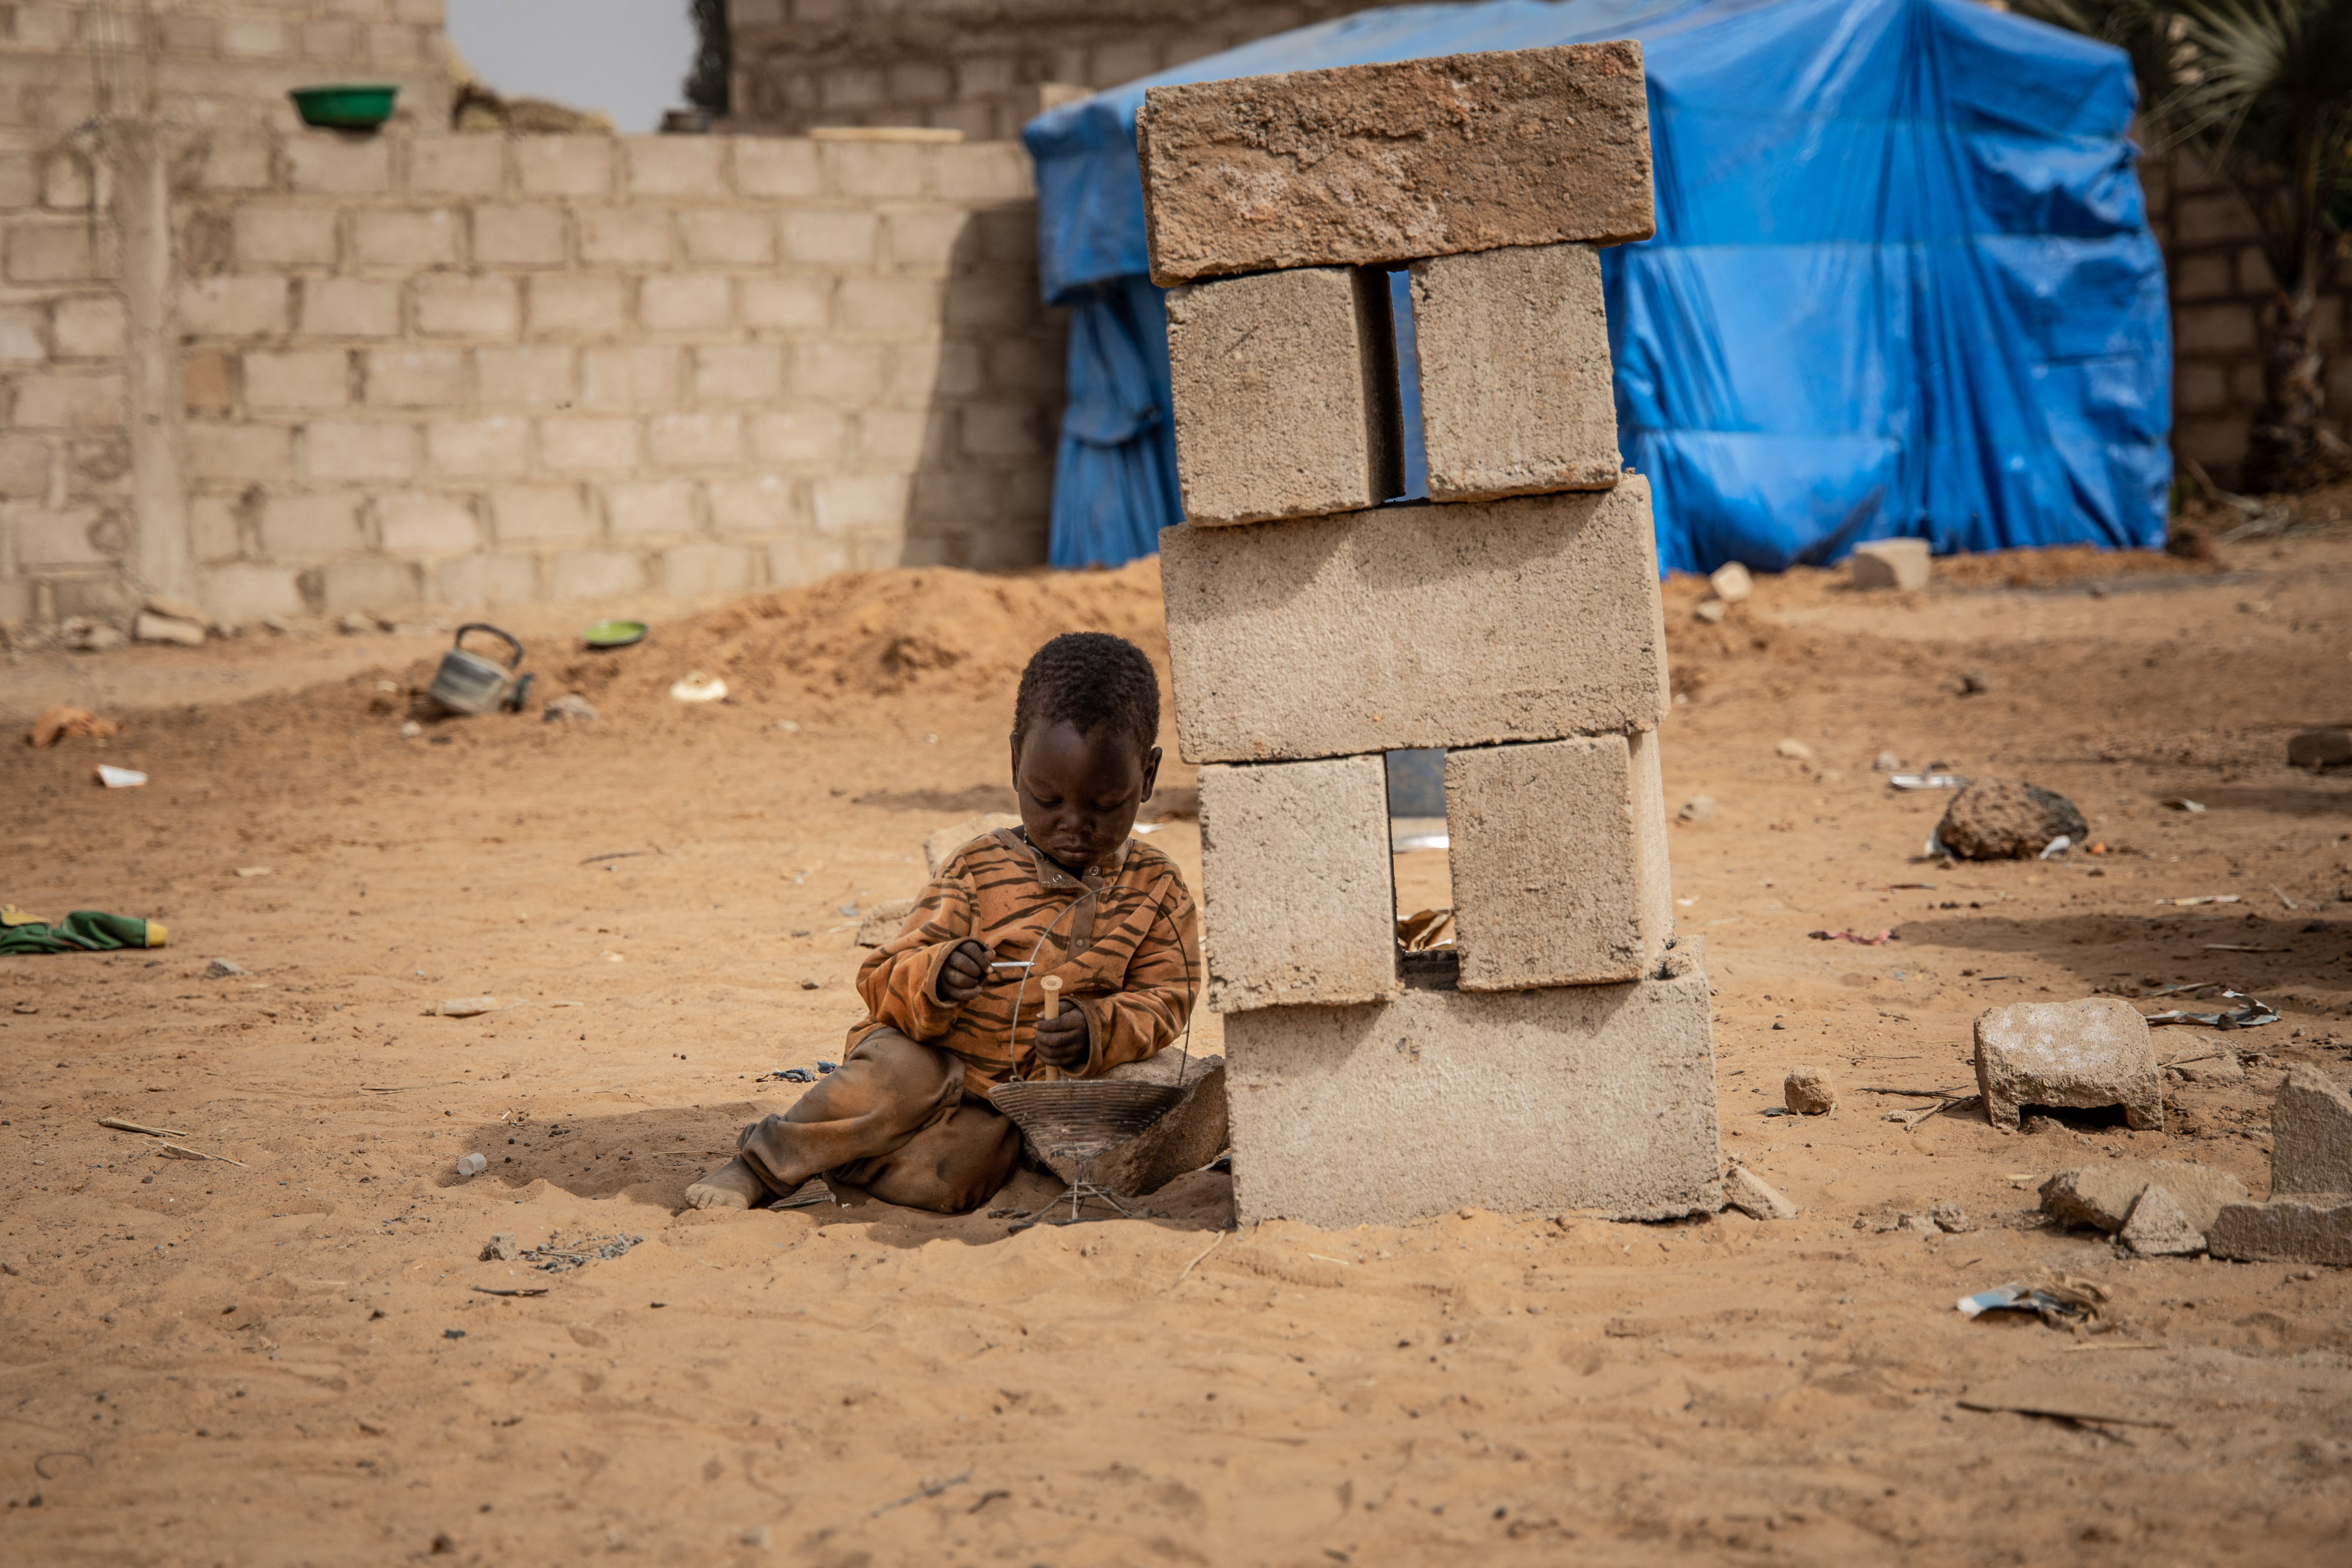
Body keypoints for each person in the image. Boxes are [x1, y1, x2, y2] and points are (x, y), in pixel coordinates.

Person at [684, 632, 1201, 1214]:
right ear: (1014, 763)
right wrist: (939, 974)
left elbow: (1169, 997)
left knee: (956, 1181)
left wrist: (1099, 1027)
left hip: (1008, 1100)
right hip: (928, 1051)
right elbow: (882, 976)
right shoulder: (978, 868)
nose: (1073, 824)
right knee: (888, 1086)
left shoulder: (1157, 890)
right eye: (1045, 799)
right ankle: (760, 1166)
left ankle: (847, 1163)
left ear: (1149, 777)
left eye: (1105, 805)